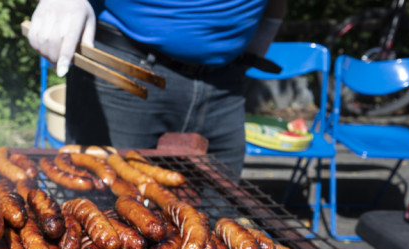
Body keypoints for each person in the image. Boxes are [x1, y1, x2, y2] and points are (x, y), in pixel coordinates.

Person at [27, 0, 285, 176]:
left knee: (220, 221)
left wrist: (271, 20)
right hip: (125, 68)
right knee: (103, 209)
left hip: (227, 83)